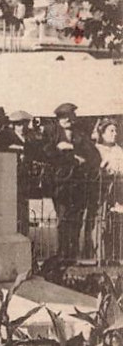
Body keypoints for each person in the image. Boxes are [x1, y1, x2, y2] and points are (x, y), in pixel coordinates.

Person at [44, 102, 101, 261]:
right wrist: (62, 149)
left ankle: (73, 253)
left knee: (76, 219)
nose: (69, 120)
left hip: (79, 183)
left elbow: (94, 156)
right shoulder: (52, 133)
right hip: (60, 183)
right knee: (63, 218)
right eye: (65, 118)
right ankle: (62, 252)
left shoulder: (80, 134)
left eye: (70, 117)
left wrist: (83, 161)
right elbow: (45, 151)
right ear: (60, 119)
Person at [94, 118, 123, 263]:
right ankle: (99, 257)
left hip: (118, 191)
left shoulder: (119, 150)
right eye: (111, 130)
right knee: (100, 224)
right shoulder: (97, 149)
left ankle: (116, 256)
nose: (115, 133)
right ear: (103, 133)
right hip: (101, 192)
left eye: (116, 131)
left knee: (117, 223)